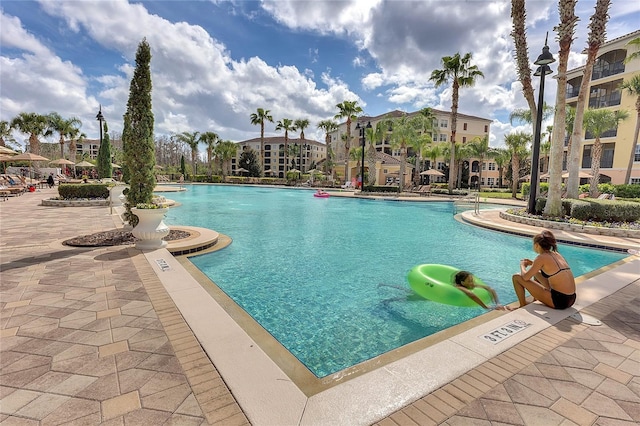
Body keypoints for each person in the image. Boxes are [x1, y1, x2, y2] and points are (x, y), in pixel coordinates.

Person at [512, 230, 576, 309]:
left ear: (537, 245)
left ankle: (523, 304)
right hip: (571, 299)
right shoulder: (557, 254)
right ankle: (535, 300)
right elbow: (551, 269)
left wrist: (522, 265)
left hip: (560, 301)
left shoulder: (541, 258)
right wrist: (533, 264)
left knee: (516, 277)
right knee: (536, 272)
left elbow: (525, 277)